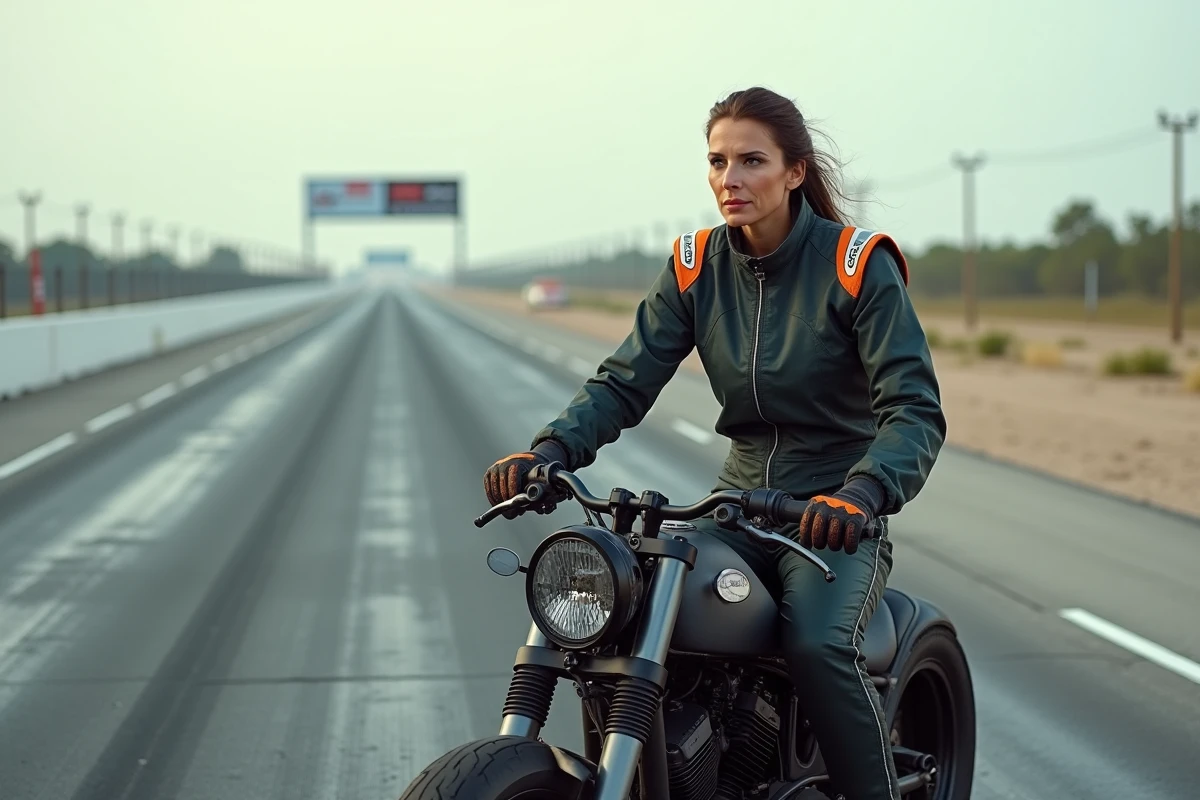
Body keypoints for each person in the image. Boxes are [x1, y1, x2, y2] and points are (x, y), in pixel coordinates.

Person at [482, 86, 946, 800]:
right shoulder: (696, 264)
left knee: (818, 646)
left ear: (795, 172)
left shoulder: (856, 264)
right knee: (638, 613)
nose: (730, 178)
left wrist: (861, 492)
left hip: (829, 520)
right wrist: (549, 452)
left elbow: (914, 410)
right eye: (718, 161)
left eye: (751, 160)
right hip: (736, 510)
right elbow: (624, 382)